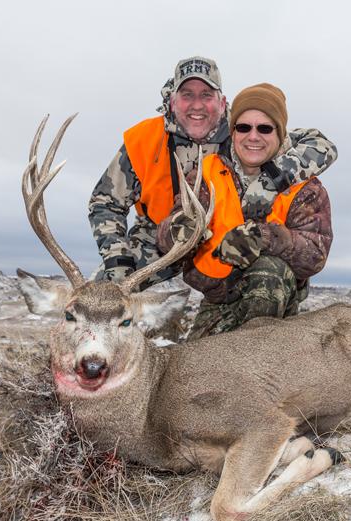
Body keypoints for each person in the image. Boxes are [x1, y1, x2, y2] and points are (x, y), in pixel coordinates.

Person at [89, 56, 337, 287]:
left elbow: (319, 144)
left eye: (206, 95)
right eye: (187, 95)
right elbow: (105, 203)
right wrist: (117, 259)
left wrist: (272, 179)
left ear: (221, 102)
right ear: (172, 100)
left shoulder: (242, 131)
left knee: (262, 281)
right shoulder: (143, 140)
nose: (197, 105)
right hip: (159, 238)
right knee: (106, 293)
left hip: (224, 237)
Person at [156, 83, 333, 339]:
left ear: (280, 133)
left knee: (269, 270)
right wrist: (178, 231)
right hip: (217, 302)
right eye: (243, 127)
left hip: (274, 307)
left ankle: (260, 359)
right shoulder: (205, 174)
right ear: (233, 130)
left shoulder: (304, 188)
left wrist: (266, 238)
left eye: (264, 128)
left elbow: (315, 253)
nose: (253, 136)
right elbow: (167, 234)